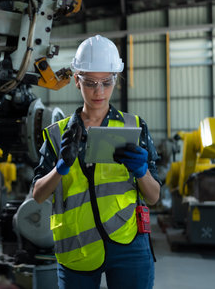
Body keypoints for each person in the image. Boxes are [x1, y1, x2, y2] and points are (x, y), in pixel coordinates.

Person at [32, 35, 161, 289]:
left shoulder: (133, 127)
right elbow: (37, 195)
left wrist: (142, 172)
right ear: (76, 81)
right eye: (90, 82)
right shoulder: (58, 134)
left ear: (116, 79)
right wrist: (60, 168)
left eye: (107, 82)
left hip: (128, 244)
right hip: (76, 250)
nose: (99, 91)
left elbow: (154, 197)